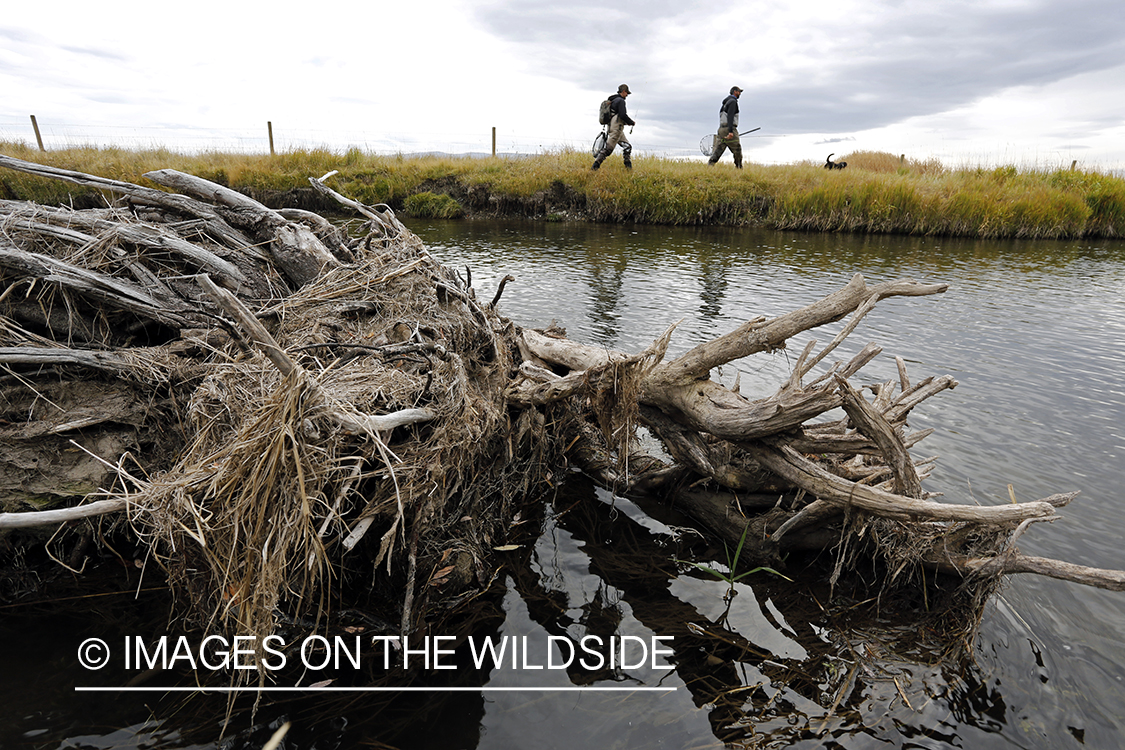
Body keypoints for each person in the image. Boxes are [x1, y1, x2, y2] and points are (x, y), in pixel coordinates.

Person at [592, 84, 635, 170]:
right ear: (623, 92)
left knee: (627, 146)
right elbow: (622, 115)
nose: (627, 95)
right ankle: (595, 166)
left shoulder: (613, 100)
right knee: (608, 149)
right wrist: (631, 122)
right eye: (627, 93)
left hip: (612, 127)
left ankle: (628, 168)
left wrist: (627, 123)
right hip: (616, 129)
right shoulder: (621, 101)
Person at [708, 86, 743, 169]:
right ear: (735, 92)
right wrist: (730, 131)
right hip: (729, 128)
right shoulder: (733, 102)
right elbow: (730, 116)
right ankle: (739, 167)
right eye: (739, 92)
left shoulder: (724, 103)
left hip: (721, 129)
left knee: (719, 148)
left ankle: (710, 164)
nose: (740, 93)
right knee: (737, 149)